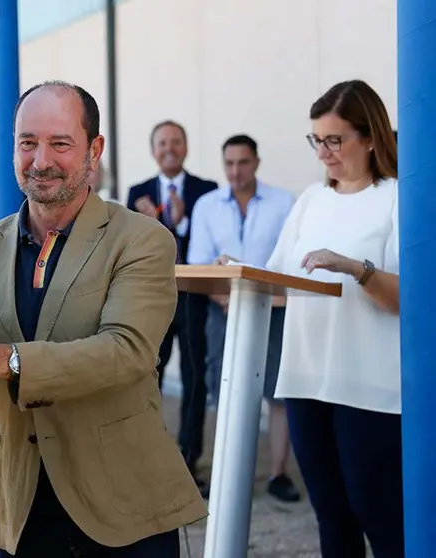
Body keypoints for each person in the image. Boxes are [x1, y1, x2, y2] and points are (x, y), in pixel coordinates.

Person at [0, 81, 206, 557]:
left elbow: (126, 352)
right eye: (28, 143)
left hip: (123, 504)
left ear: (94, 150)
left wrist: (1, 361)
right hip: (21, 500)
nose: (41, 160)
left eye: (60, 143)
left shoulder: (142, 240)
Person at [266, 79, 402, 556]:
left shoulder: (396, 198)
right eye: (316, 140)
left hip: (369, 386)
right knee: (330, 516)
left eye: (334, 139)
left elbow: (408, 299)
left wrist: (354, 268)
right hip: (306, 379)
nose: (322, 152)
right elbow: (279, 280)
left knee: (380, 516)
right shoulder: (310, 200)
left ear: (369, 137)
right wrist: (233, 275)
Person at [187, 134, 300, 503]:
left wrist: (260, 299)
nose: (236, 171)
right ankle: (232, 474)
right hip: (224, 311)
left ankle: (278, 473)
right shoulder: (207, 205)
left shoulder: (284, 203)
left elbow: (290, 259)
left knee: (277, 391)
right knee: (226, 390)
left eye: (243, 162)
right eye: (230, 164)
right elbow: (202, 260)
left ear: (256, 162)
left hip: (275, 310)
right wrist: (225, 299)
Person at [126, 120, 217, 489]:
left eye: (176, 142)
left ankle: (189, 458)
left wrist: (183, 221)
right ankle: (149, 457)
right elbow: (131, 247)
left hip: (193, 298)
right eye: (162, 142)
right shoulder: (137, 193)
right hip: (153, 300)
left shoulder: (206, 192)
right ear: (153, 150)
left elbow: (209, 241)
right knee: (149, 378)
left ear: (186, 147)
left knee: (195, 380)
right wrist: (150, 226)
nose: (169, 148)